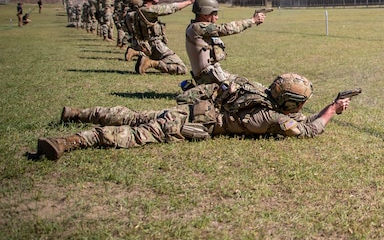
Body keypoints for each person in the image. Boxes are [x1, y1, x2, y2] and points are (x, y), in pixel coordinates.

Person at [34, 73, 356, 160]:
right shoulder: (274, 119)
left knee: (132, 116)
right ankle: (69, 142)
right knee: (137, 134)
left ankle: (76, 113)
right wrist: (332, 112)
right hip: (192, 124)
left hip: (190, 109)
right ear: (290, 105)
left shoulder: (258, 92)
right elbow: (308, 131)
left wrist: (329, 105)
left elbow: (302, 121)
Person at [185, 0, 266, 85]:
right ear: (205, 14)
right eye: (215, 14)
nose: (217, 17)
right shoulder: (197, 28)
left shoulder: (195, 27)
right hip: (207, 78)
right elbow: (225, 29)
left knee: (246, 83)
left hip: (211, 75)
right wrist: (253, 20)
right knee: (248, 89)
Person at [130, 0, 200, 75]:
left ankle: (144, 61)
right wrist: (190, 1)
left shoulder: (140, 9)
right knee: (181, 68)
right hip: (155, 46)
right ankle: (151, 63)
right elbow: (170, 8)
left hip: (148, 46)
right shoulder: (148, 10)